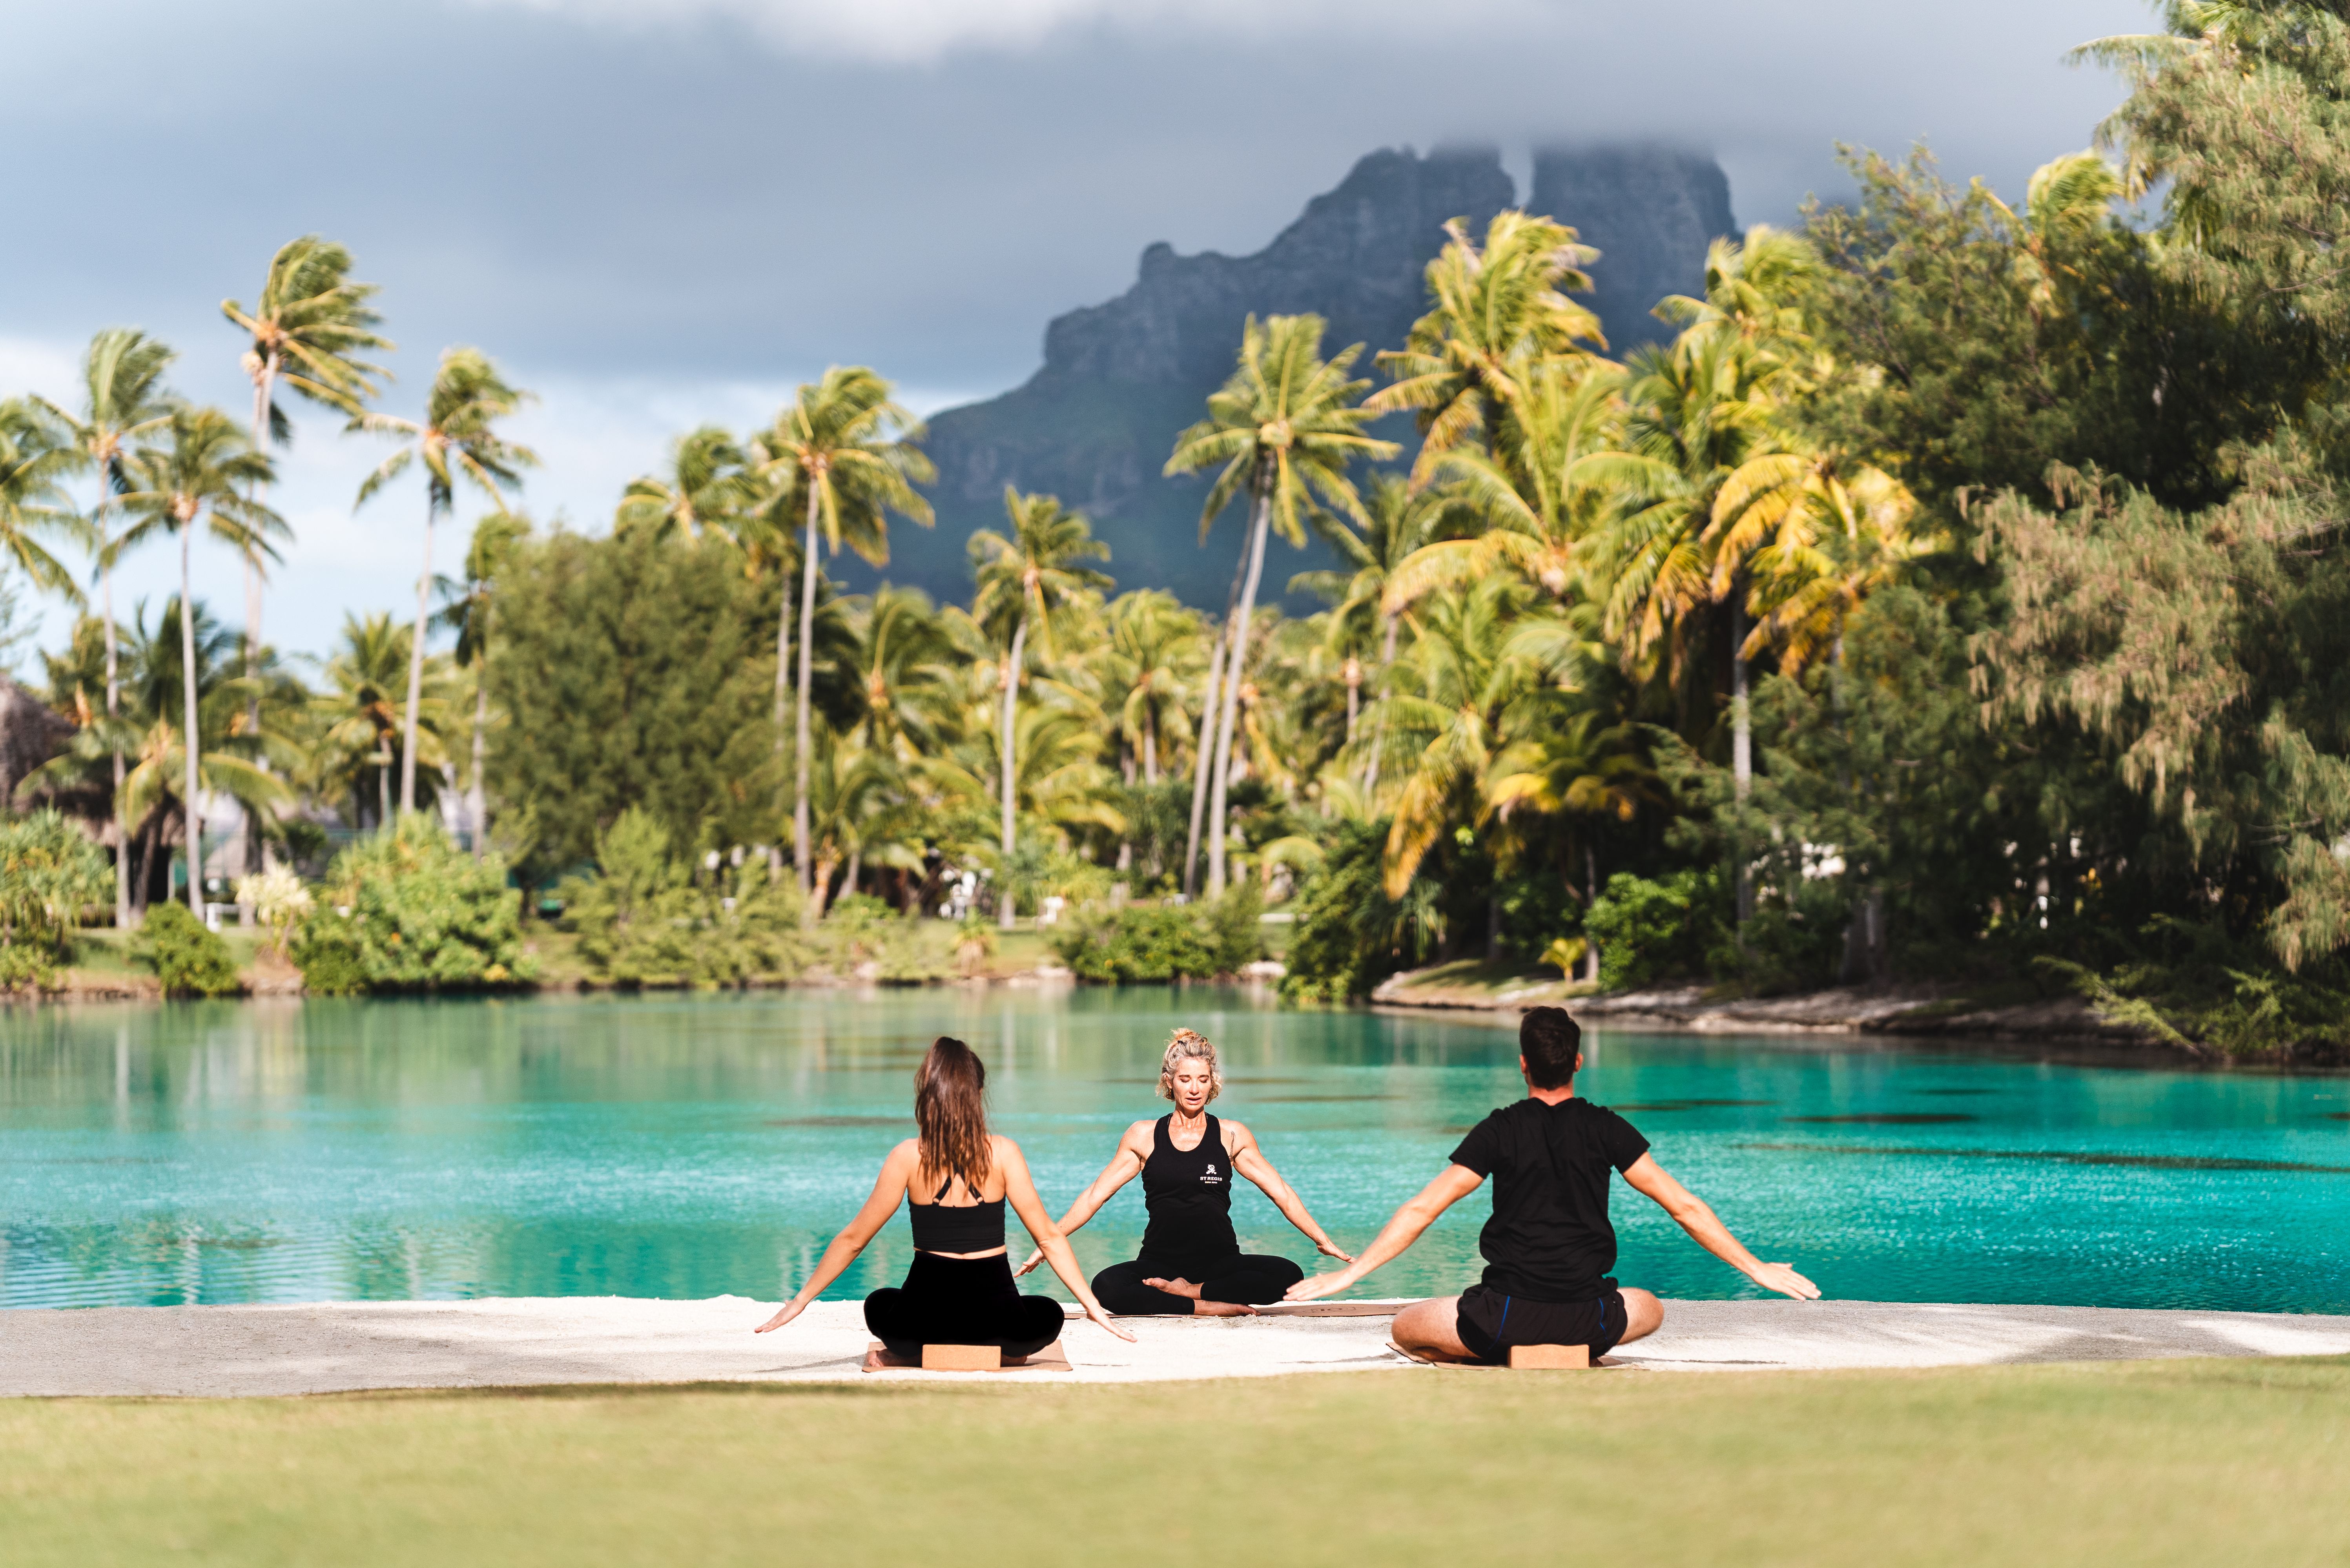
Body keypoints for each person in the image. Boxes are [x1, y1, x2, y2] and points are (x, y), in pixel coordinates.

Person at [1286, 1006, 1818, 1362]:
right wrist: (1757, 1269)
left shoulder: (1500, 1129)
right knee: (1650, 1306)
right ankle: (1563, 1354)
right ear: (1578, 1063)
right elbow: (1683, 1206)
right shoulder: (1606, 1127)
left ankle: (1516, 1353)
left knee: (1406, 1325)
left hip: (1505, 1317)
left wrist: (1348, 1277)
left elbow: (1423, 1208)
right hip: (1587, 1318)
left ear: (1523, 1064)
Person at [754, 1035, 1134, 1359]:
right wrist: (1092, 1306)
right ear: (979, 1093)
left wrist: (800, 1300)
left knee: (878, 1302)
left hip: (920, 1330)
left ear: (928, 1094)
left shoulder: (907, 1155)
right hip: (1000, 1330)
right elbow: (1048, 1237)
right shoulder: (1004, 1152)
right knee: (1047, 1311)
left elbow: (854, 1240)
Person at [1017, 1028, 1352, 1316]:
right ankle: (1205, 1306)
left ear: (1212, 1083)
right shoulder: (1143, 1136)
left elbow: (1280, 1191)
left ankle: (1192, 1292)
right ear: (1169, 1083)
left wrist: (1322, 1240)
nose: (1194, 1089)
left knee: (1290, 1275)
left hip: (1219, 1264)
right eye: (1185, 1079)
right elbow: (1094, 1197)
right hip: (1159, 1263)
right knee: (1106, 1287)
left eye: (1203, 1080)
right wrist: (1049, 1242)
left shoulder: (1231, 1135)